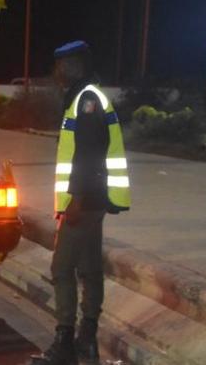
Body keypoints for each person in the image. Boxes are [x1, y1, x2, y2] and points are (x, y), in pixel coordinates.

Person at [31, 41, 130, 365]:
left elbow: (88, 155)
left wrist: (74, 200)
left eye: (59, 65)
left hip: (84, 202)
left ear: (72, 66)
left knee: (62, 269)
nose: (55, 71)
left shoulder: (87, 100)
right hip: (91, 200)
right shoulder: (85, 96)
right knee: (89, 269)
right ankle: (86, 341)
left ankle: (65, 344)